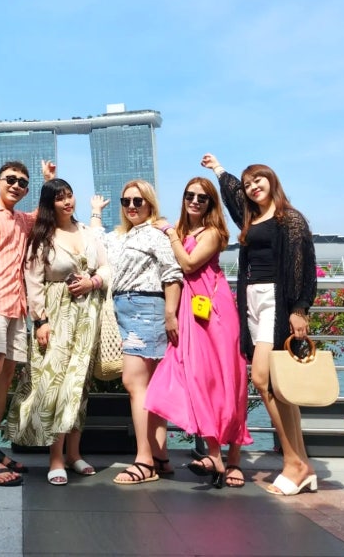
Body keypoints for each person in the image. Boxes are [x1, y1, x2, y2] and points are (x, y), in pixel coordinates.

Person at [201, 154, 318, 496]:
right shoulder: (250, 217)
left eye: (258, 180)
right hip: (251, 299)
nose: (252, 187)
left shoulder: (290, 219)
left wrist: (299, 308)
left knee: (262, 378)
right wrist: (218, 169)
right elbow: (233, 195)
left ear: (272, 180)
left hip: (274, 301)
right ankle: (302, 463)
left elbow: (303, 266)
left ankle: (293, 462)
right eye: (248, 183)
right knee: (279, 388)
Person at [146, 177, 253, 488]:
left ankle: (233, 460)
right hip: (189, 312)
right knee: (195, 379)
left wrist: (169, 232)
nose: (194, 201)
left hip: (214, 312)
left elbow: (190, 264)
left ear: (210, 204)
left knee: (228, 379)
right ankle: (215, 455)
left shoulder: (213, 232)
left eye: (202, 198)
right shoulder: (181, 232)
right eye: (189, 195)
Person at [7, 178, 110, 485]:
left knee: (80, 384)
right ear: (49, 204)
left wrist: (93, 282)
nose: (67, 202)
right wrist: (40, 321)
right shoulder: (43, 237)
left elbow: (106, 267)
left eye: (69, 195)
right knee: (57, 385)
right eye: (60, 198)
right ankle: (55, 458)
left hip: (87, 315)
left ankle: (74, 454)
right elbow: (33, 282)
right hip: (57, 314)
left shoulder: (87, 232)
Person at [0, 159, 55, 487]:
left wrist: (49, 181)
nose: (16, 185)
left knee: (5, 376)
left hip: (17, 305)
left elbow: (44, 214)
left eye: (22, 183)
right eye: (10, 179)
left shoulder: (21, 220)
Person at [91, 180, 182, 485]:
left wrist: (170, 314)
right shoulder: (120, 236)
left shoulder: (156, 234)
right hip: (123, 308)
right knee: (149, 386)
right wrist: (95, 212)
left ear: (150, 203)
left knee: (134, 381)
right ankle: (160, 456)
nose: (131, 206)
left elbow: (172, 274)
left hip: (146, 307)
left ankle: (144, 461)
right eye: (126, 201)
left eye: (138, 201)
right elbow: (96, 242)